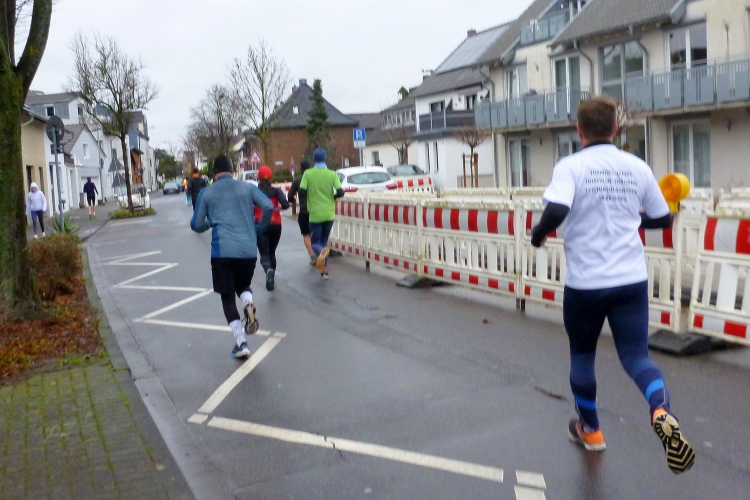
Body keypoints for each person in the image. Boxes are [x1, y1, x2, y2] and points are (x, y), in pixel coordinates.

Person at [531, 96, 695, 474]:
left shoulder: (570, 166)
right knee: (637, 357)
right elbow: (662, 219)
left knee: (582, 355)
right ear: (616, 129)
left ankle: (591, 431)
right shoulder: (636, 167)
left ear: (579, 130)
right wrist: (631, 220)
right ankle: (661, 410)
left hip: (586, 284)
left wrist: (539, 234)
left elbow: (557, 209)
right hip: (630, 281)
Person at [190, 154, 273, 359]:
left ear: (214, 173)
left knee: (227, 296)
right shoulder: (247, 188)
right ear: (232, 170)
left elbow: (196, 225)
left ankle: (241, 342)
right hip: (248, 250)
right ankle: (248, 303)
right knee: (243, 285)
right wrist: (258, 228)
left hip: (223, 252)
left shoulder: (207, 192)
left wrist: (211, 222)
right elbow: (268, 206)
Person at [299, 148, 344, 280]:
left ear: (314, 159)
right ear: (325, 159)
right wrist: (332, 198)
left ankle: (321, 254)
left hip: (315, 214)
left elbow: (301, 192)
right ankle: (324, 271)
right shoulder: (332, 174)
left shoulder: (308, 174)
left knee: (315, 243)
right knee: (324, 240)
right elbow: (340, 192)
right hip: (329, 213)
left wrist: (311, 196)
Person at [255, 165, 290, 291]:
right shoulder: (277, 191)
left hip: (260, 224)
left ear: (258, 177)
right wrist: (278, 207)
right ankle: (272, 278)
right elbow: (285, 205)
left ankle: (268, 271)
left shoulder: (255, 192)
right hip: (276, 225)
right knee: (272, 253)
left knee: (264, 254)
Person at [287, 159, 316, 263]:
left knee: (306, 234)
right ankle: (320, 254)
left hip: (304, 211)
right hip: (317, 210)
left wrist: (293, 200)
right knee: (317, 233)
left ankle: (312, 254)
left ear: (301, 169)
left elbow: (290, 196)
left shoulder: (297, 180)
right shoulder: (315, 179)